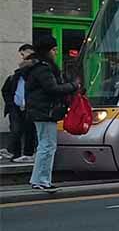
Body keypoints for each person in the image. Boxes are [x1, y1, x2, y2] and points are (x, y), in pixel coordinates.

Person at [24, 36, 79, 192]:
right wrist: (73, 86)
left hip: (41, 111)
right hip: (45, 111)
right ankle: (42, 180)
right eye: (54, 50)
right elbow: (52, 89)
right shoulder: (43, 68)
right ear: (47, 51)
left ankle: (39, 180)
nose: (56, 53)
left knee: (45, 145)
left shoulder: (37, 67)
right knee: (47, 146)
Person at [2, 44, 37, 162]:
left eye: (24, 55)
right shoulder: (16, 76)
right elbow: (6, 90)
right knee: (16, 129)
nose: (22, 60)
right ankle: (13, 153)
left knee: (29, 130)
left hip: (30, 107)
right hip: (16, 107)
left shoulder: (36, 74)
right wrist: (11, 104)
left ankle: (27, 153)